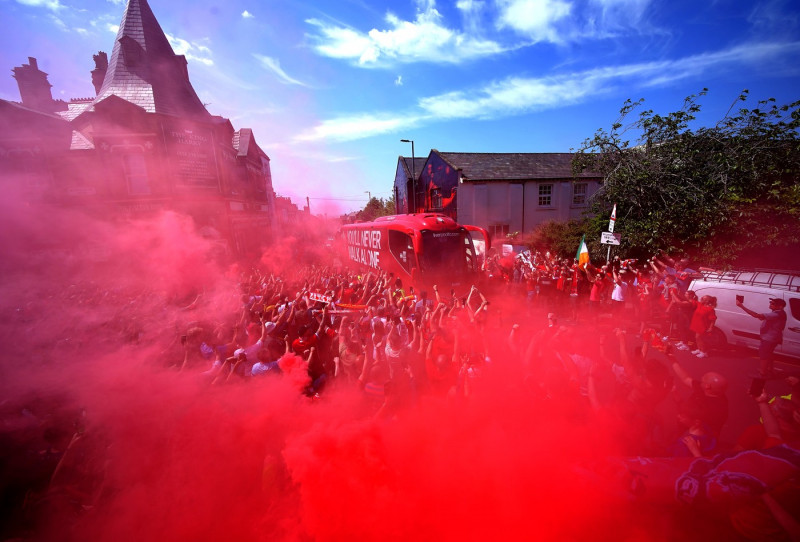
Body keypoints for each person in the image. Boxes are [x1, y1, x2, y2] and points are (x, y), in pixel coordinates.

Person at [736, 297, 788, 377]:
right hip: (773, 338)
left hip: (769, 338)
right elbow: (765, 318)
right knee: (769, 354)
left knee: (763, 354)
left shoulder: (777, 314)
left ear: (780, 306)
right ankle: (769, 370)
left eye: (773, 303)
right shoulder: (778, 313)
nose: (770, 304)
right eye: (771, 302)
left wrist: (741, 306)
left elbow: (755, 315)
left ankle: (762, 373)